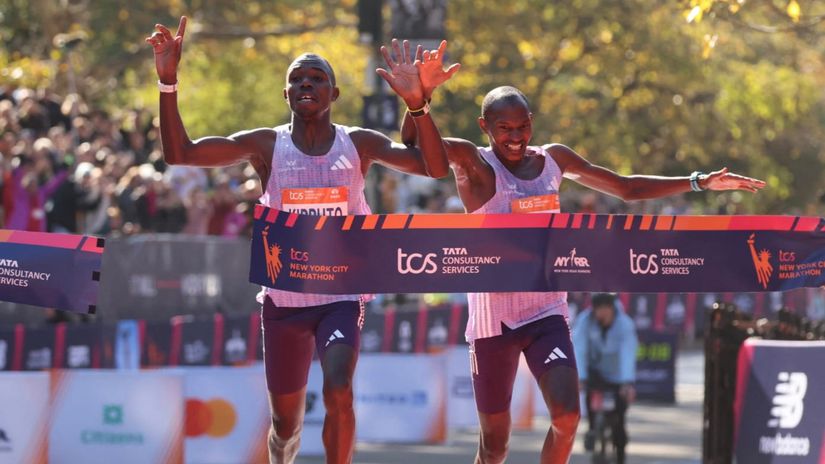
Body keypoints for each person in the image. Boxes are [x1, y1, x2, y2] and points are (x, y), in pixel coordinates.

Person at [402, 42, 765, 464]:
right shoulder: (474, 164)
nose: (516, 137)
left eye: (523, 127)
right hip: (492, 320)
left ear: (532, 122)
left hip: (546, 311)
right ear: (485, 126)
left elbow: (626, 187)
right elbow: (420, 153)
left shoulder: (553, 160)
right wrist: (419, 102)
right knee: (495, 445)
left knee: (568, 417)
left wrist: (699, 181)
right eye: (504, 128)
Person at [146, 19, 448, 464]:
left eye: (317, 78)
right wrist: (168, 82)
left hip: (341, 295)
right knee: (285, 426)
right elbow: (180, 154)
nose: (307, 83)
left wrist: (418, 106)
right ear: (285, 94)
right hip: (284, 302)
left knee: (339, 388)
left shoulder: (358, 144)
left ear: (334, 94)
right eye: (297, 79)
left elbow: (434, 168)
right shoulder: (266, 146)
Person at [572, 293, 638, 464]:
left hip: (617, 375)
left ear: (612, 308)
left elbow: (627, 353)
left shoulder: (625, 324)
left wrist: (627, 382)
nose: (601, 313)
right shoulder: (584, 321)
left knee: (619, 418)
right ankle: (592, 428)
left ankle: (620, 448)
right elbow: (579, 349)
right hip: (595, 372)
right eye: (597, 309)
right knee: (591, 397)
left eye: (605, 308)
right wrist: (581, 378)